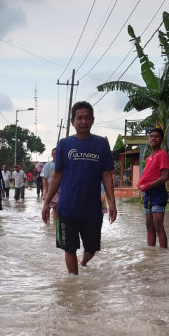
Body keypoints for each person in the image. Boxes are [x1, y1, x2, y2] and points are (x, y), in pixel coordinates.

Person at [42, 101, 117, 275]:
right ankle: (73, 284)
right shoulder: (64, 144)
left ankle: (83, 261)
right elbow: (57, 175)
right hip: (67, 208)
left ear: (93, 120)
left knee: (91, 248)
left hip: (92, 209)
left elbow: (107, 175)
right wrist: (46, 203)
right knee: (69, 248)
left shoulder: (101, 144)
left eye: (87, 118)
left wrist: (112, 203)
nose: (83, 121)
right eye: (80, 118)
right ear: (72, 121)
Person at [137, 127, 169, 248]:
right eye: (151, 136)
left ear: (161, 140)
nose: (153, 138)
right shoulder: (149, 157)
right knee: (149, 226)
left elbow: (165, 176)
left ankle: (163, 257)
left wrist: (148, 185)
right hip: (148, 193)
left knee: (158, 226)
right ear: (148, 139)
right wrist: (144, 186)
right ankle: (151, 256)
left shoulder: (162, 154)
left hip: (158, 192)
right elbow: (148, 176)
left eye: (156, 136)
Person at [40, 147, 60, 221]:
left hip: (59, 190)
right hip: (50, 188)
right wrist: (45, 191)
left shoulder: (62, 165)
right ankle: (47, 227)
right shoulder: (48, 165)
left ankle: (54, 226)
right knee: (47, 207)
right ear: (52, 155)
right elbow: (44, 178)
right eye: (54, 154)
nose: (56, 155)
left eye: (57, 154)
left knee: (56, 209)